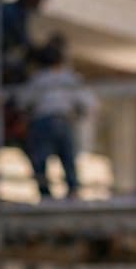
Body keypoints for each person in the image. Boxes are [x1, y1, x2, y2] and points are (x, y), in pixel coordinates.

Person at [17, 37, 98, 199]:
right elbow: (89, 102)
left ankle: (45, 192)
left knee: (41, 159)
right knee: (68, 158)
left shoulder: (39, 79)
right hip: (62, 120)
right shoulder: (70, 78)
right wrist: (78, 116)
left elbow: (23, 101)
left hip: (43, 121)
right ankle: (72, 190)